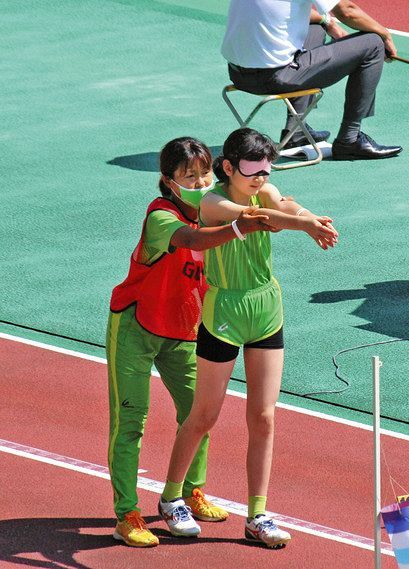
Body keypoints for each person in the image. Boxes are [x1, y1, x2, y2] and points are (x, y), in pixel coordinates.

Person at [158, 128, 338, 548]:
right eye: (252, 170)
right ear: (228, 168)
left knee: (264, 416)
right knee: (204, 416)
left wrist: (308, 216)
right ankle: (170, 498)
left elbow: (283, 204)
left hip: (266, 311)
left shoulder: (266, 188)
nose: (260, 178)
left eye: (265, 170)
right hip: (224, 313)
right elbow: (259, 219)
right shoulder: (212, 200)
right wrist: (302, 223)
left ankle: (257, 515)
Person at [108, 137, 270, 547]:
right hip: (136, 326)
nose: (199, 181)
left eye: (203, 173)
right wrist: (238, 226)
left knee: (199, 415)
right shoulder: (162, 216)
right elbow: (194, 241)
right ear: (168, 180)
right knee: (131, 421)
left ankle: (190, 491)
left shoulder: (217, 206)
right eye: (188, 176)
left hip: (185, 330)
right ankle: (127, 513)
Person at [221, 0, 402, 160]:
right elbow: (347, 10)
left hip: (238, 75)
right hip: (274, 77)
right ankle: (350, 139)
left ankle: (296, 131)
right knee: (373, 43)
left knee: (315, 28)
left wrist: (328, 22)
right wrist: (385, 34)